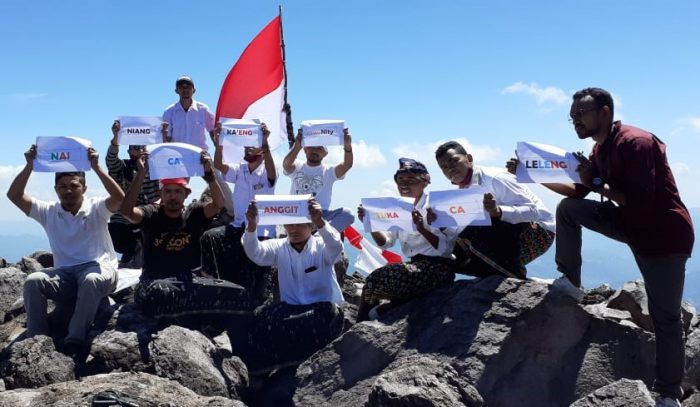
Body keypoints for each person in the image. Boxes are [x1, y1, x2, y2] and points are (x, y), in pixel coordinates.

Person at [548, 87, 694, 406]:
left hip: (663, 236)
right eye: (571, 116)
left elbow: (638, 198)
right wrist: (531, 174)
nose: (575, 121)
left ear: (604, 112)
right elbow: (579, 192)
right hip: (630, 224)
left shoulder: (636, 142)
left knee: (665, 316)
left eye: (581, 114)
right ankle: (570, 283)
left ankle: (670, 392)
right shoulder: (601, 149)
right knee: (568, 209)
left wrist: (595, 182)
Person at [7, 144, 124, 354]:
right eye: (62, 187)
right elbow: (14, 196)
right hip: (66, 275)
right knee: (33, 281)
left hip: (100, 270)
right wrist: (29, 166)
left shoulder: (97, 208)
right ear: (56, 190)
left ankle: (75, 339)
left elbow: (119, 199)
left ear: (84, 188)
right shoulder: (48, 211)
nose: (68, 191)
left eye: (74, 185)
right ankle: (36, 339)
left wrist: (96, 167)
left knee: (91, 279)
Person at [120, 149, 249, 321]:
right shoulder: (151, 213)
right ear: (161, 194)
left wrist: (210, 175)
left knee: (238, 293)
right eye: (168, 191)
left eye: (177, 191)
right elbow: (127, 211)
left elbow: (218, 204)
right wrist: (141, 175)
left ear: (186, 194)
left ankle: (189, 315)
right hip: (154, 281)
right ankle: (191, 314)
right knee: (160, 293)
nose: (172, 196)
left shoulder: (193, 213)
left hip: (187, 280)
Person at [241, 198, 345, 373]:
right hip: (290, 309)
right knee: (257, 318)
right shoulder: (279, 246)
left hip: (321, 309)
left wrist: (319, 220)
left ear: (311, 226)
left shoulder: (321, 246)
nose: (293, 229)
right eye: (289, 224)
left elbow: (335, 247)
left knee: (316, 321)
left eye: (299, 224)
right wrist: (252, 225)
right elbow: (255, 253)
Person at [433, 140, 556, 279]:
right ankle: (494, 275)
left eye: (454, 161)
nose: (450, 169)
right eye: (444, 167)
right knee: (447, 249)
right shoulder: (462, 192)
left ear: (469, 159)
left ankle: (514, 277)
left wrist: (497, 211)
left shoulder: (494, 178)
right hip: (507, 236)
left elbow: (534, 212)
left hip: (540, 233)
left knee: (474, 227)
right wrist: (440, 224)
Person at [356, 158, 458, 322]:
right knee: (375, 285)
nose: (404, 184)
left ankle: (360, 325)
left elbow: (446, 249)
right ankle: (370, 320)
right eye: (400, 180)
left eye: (410, 180)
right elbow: (386, 242)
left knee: (375, 280)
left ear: (425, 182)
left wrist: (422, 229)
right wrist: (370, 223)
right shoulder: (399, 206)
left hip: (437, 268)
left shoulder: (436, 206)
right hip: (415, 266)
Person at [200, 122, 277, 307]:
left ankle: (254, 301)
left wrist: (265, 141)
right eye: (247, 144)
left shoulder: (267, 171)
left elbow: (272, 171)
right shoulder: (240, 169)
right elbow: (219, 164)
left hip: (261, 232)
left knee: (253, 274)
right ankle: (215, 285)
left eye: (253, 143)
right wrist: (219, 143)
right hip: (238, 226)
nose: (248, 147)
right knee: (209, 237)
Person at [106, 120, 161, 268]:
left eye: (143, 148)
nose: (140, 151)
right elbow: (111, 160)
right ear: (129, 152)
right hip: (122, 226)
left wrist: (165, 137)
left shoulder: (155, 169)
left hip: (147, 221)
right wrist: (116, 137)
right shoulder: (122, 168)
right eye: (136, 148)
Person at [282, 127, 355, 232]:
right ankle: (319, 234)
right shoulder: (297, 165)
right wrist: (297, 146)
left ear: (325, 153)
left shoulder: (329, 171)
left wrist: (347, 146)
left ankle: (319, 236)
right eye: (311, 147)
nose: (314, 150)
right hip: (297, 213)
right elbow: (286, 165)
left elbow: (347, 165)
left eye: (319, 148)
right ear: (305, 149)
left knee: (348, 214)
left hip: (321, 215)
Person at [162, 75, 215, 150]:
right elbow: (167, 137)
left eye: (188, 87)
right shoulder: (169, 112)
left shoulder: (204, 109)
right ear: (176, 91)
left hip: (200, 156)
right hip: (177, 157)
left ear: (194, 90)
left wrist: (220, 152)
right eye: (181, 87)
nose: (185, 89)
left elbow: (213, 132)